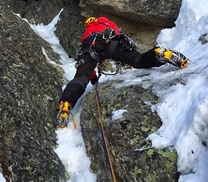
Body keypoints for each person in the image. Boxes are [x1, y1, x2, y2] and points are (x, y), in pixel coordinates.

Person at [56, 16, 188, 128]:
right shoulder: (105, 22)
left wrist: (93, 79)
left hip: (91, 47)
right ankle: (157, 53)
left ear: (87, 24)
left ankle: (67, 103)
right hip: (112, 41)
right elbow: (117, 32)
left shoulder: (86, 34)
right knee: (138, 60)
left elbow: (86, 70)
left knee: (81, 78)